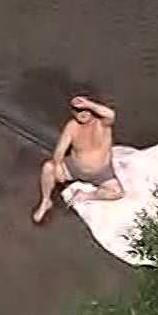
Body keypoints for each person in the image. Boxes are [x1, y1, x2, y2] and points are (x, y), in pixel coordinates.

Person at [33, 95, 124, 224]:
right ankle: (46, 201)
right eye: (77, 111)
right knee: (48, 167)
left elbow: (110, 114)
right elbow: (60, 149)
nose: (82, 114)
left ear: (91, 109)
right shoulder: (72, 126)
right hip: (75, 167)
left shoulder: (102, 123)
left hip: (101, 172)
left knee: (117, 192)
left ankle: (86, 195)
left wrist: (88, 104)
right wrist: (58, 164)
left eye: (85, 110)